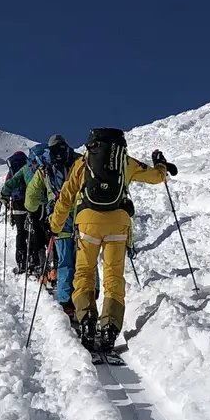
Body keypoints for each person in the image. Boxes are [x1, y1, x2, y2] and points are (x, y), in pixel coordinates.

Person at [48, 128, 178, 354]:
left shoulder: (83, 163)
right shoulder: (125, 162)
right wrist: (160, 164)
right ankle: (110, 326)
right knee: (113, 275)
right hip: (118, 222)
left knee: (84, 273)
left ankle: (87, 320)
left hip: (87, 222)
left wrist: (55, 226)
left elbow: (66, 196)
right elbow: (157, 177)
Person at [25, 134, 77, 313]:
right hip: (82, 218)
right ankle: (87, 300)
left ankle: (65, 302)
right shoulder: (78, 160)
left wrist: (42, 203)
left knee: (65, 261)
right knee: (85, 261)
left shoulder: (44, 167)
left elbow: (30, 199)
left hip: (58, 220)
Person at [0, 150, 35, 273]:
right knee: (32, 232)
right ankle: (33, 260)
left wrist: (4, 198)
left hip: (17, 204)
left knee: (21, 232)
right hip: (31, 204)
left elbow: (8, 186)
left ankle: (21, 261)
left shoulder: (11, 171)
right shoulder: (29, 168)